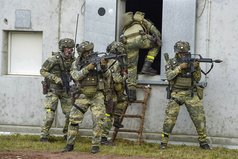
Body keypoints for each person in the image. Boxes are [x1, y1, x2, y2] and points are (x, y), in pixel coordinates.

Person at [160, 41, 211, 150]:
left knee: (199, 118)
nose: (183, 54)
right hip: (176, 93)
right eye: (181, 53)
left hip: (190, 93)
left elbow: (197, 79)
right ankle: (163, 142)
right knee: (170, 119)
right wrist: (179, 68)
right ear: (177, 53)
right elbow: (169, 76)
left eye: (185, 52)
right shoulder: (171, 62)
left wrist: (196, 67)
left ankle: (203, 142)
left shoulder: (191, 62)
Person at [63, 41, 110, 153]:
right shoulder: (76, 63)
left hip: (97, 95)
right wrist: (87, 68)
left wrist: (103, 67)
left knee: (98, 121)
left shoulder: (98, 60)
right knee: (73, 120)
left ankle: (95, 146)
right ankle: (69, 145)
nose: (89, 53)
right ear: (82, 53)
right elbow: (75, 76)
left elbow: (108, 76)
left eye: (90, 51)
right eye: (87, 52)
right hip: (82, 94)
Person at [40, 38, 75, 142]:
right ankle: (44, 136)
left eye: (71, 49)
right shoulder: (53, 59)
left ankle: (67, 134)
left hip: (66, 91)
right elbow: (43, 71)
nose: (70, 50)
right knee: (50, 115)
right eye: (68, 48)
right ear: (62, 48)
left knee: (70, 114)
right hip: (53, 90)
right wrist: (55, 78)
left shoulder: (73, 60)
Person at [120, 11, 161, 101]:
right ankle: (147, 66)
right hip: (140, 40)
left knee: (131, 67)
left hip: (127, 43)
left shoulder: (126, 26)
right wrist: (154, 38)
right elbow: (157, 33)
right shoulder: (143, 20)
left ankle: (131, 95)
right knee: (157, 44)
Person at [101, 41, 128, 145]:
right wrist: (125, 76)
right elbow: (117, 79)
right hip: (110, 92)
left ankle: (116, 120)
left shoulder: (108, 59)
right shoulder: (114, 62)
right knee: (108, 115)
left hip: (110, 91)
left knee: (122, 101)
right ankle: (103, 138)